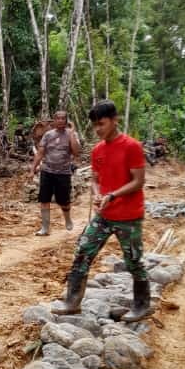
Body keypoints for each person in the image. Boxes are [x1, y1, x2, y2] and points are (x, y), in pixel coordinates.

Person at [53, 99, 152, 322]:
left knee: (134, 260)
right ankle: (72, 302)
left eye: (102, 124)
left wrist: (113, 195)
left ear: (115, 120)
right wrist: (97, 193)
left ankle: (142, 304)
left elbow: (138, 181)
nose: (98, 129)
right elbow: (95, 180)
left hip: (129, 216)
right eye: (95, 125)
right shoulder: (98, 149)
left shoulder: (132, 146)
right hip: (104, 215)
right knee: (82, 251)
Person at [31, 110, 81, 235]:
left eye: (63, 118)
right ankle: (45, 228)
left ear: (66, 121)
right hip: (47, 171)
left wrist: (72, 133)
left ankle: (68, 219)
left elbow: (76, 153)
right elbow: (40, 153)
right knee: (44, 199)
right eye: (58, 118)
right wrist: (32, 169)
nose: (60, 120)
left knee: (64, 201)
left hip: (63, 172)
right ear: (54, 120)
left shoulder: (71, 135)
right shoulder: (48, 135)